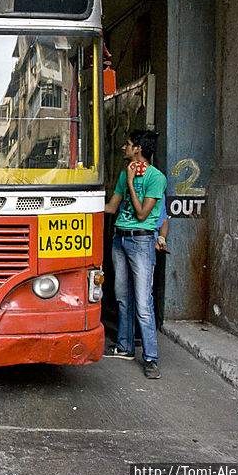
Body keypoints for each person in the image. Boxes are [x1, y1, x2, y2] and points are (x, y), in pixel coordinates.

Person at [102, 130, 167, 379]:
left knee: (142, 303)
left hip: (141, 241)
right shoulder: (123, 173)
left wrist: (131, 183)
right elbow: (111, 207)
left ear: (138, 149)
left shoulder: (155, 178)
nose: (123, 148)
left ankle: (151, 358)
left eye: (127, 145)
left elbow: (141, 214)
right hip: (120, 239)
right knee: (121, 296)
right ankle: (125, 346)